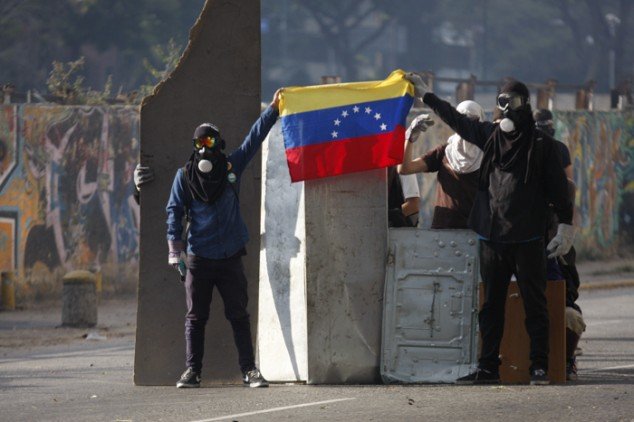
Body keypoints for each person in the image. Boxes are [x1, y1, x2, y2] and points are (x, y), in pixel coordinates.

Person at [405, 73, 575, 385]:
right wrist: (428, 97)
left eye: (512, 102)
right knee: (491, 307)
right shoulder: (491, 137)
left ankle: (539, 365)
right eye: (502, 102)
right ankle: (487, 367)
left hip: (529, 237)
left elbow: (561, 191)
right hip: (493, 237)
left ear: (524, 105)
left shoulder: (544, 147)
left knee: (535, 304)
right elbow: (456, 120)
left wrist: (565, 228)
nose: (506, 109)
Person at [166, 89, 282, 388]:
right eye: (200, 142)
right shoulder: (185, 176)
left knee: (239, 315)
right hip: (198, 258)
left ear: (219, 144)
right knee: (195, 318)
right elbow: (174, 211)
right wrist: (175, 252)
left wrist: (273, 110)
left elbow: (253, 140)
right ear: (194, 146)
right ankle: (192, 372)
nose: (205, 148)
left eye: (210, 141)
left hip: (230, 255)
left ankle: (249, 371)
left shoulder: (232, 167)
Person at [534, 108, 586, 381]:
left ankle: (565, 360)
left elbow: (568, 188)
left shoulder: (563, 181)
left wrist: (567, 231)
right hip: (527, 246)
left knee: (569, 311)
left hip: (555, 248)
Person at [398, 100, 485, 229]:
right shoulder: (445, 152)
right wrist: (410, 138)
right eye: (463, 118)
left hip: (477, 230)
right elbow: (405, 169)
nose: (467, 124)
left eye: (472, 119)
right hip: (443, 230)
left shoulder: (489, 155)